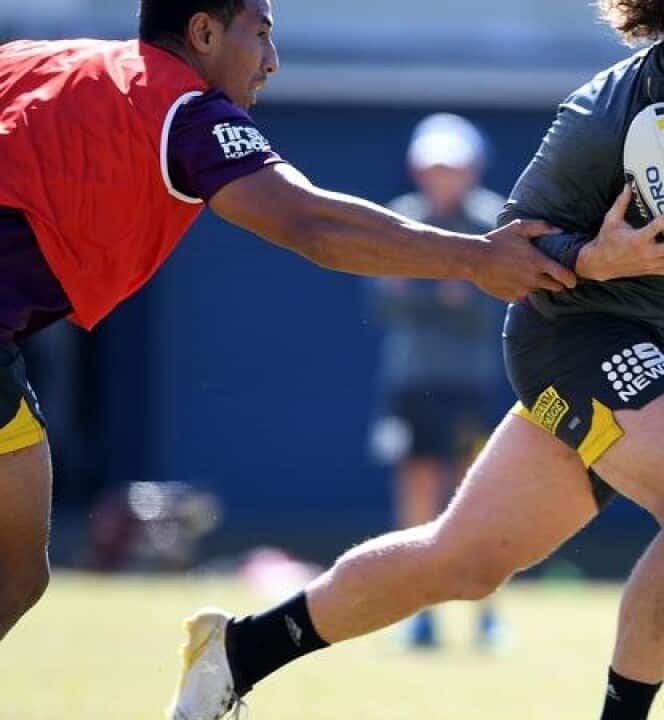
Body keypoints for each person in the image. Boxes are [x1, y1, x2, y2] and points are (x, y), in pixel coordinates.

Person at [169, 2, 664, 718]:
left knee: (464, 561)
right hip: (571, 332)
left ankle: (236, 654)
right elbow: (508, 249)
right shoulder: (606, 112)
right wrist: (595, 256)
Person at [0, 0, 580, 645]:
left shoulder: (43, 59)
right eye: (263, 34)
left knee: (18, 569)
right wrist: (475, 258)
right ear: (203, 32)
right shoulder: (183, 106)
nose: (272, 61)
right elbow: (311, 222)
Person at [368, 113, 509, 649]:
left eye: (452, 167)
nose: (442, 177)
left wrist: (431, 292)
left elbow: (485, 305)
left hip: (469, 384)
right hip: (411, 382)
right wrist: (449, 290)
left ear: (471, 169)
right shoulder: (400, 219)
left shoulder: (492, 221)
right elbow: (385, 299)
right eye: (433, 167)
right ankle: (417, 613)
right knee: (416, 492)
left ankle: (486, 616)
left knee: (476, 494)